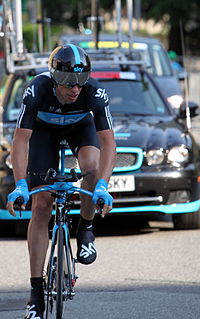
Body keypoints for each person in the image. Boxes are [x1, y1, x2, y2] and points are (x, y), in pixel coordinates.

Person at [6, 44, 117, 319]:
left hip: (81, 128)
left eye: (80, 82)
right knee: (41, 204)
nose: (75, 89)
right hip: (44, 132)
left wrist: (103, 184)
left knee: (91, 170)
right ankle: (35, 294)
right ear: (55, 78)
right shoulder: (37, 89)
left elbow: (108, 142)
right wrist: (21, 184)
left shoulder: (93, 93)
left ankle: (86, 229)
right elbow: (21, 140)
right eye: (68, 82)